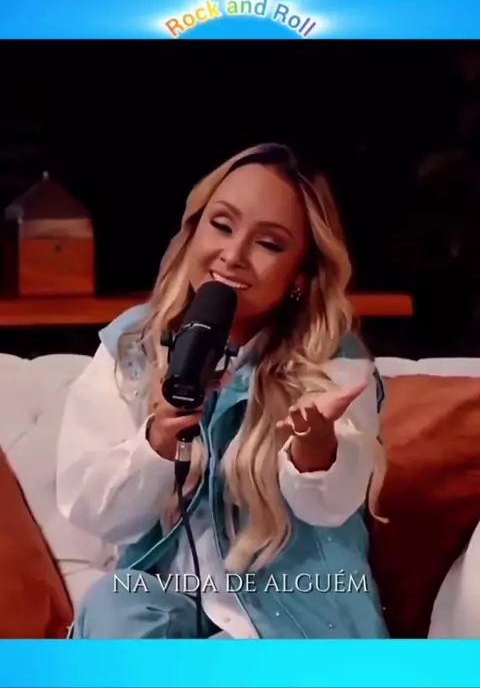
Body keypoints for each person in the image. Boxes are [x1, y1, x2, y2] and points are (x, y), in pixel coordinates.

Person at [56, 143, 390, 639]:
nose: (232, 256)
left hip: (293, 613)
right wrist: (156, 444)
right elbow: (92, 509)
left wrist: (316, 451)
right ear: (194, 230)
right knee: (113, 604)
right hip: (168, 602)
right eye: (221, 225)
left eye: (268, 244)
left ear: (299, 276)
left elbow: (332, 505)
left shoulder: (332, 359)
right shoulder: (132, 347)